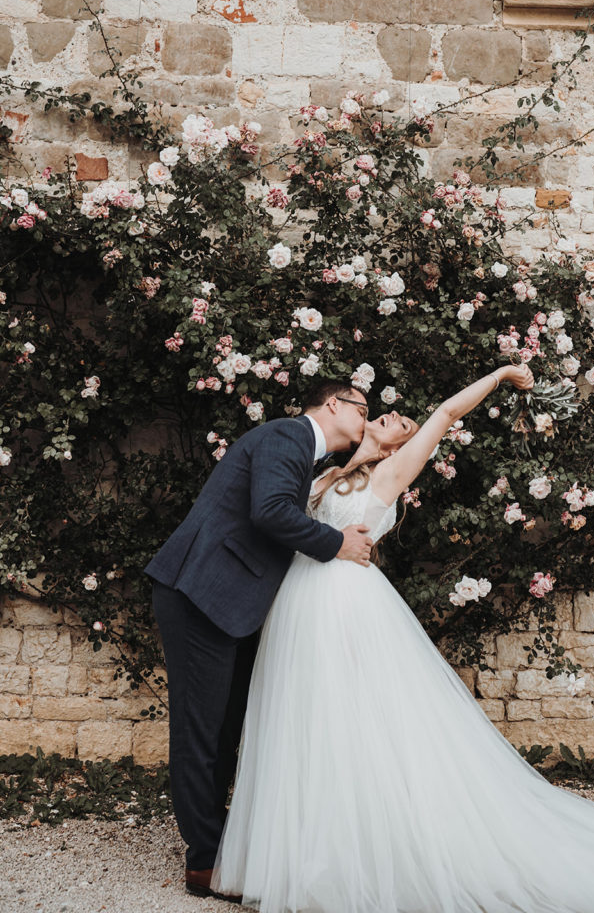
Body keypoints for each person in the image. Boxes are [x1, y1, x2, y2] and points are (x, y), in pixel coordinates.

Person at [212, 363, 594, 913]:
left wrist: (501, 375)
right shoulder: (323, 471)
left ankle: (357, 856)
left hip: (343, 603)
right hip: (296, 603)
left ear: (401, 445)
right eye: (382, 413)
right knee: (302, 718)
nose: (391, 416)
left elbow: (447, 412)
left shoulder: (392, 471)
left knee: (350, 718)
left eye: (400, 422)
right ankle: (297, 852)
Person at [145, 380, 375, 899]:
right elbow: (270, 511)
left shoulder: (304, 453)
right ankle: (204, 863)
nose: (365, 421)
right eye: (362, 410)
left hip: (230, 604)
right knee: (200, 732)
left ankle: (224, 845)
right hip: (200, 592)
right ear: (333, 404)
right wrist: (337, 542)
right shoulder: (288, 436)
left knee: (226, 729)